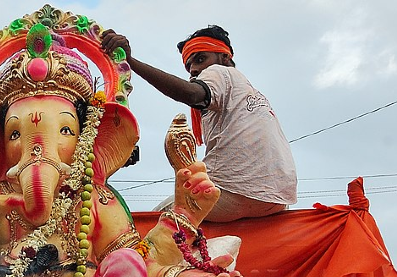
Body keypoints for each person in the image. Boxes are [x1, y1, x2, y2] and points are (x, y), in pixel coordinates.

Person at [100, 25, 296, 222]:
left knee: (150, 224)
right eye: (188, 66)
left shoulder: (220, 73)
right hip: (277, 199)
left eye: (200, 59)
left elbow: (192, 93)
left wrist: (132, 62)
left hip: (234, 190)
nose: (193, 69)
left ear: (225, 58)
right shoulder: (246, 90)